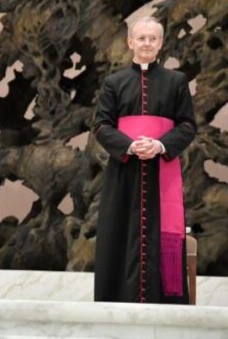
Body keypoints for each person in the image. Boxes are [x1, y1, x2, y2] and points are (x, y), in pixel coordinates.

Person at [94, 16, 196, 303]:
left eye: (153, 38)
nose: (147, 43)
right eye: (141, 38)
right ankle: (117, 302)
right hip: (124, 171)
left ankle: (165, 303)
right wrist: (129, 146)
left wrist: (160, 145)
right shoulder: (114, 83)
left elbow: (187, 125)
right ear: (130, 42)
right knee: (119, 230)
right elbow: (101, 125)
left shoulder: (177, 81)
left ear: (161, 43)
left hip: (162, 169)